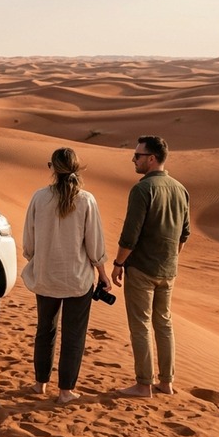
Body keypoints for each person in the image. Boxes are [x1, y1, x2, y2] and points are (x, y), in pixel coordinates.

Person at [22, 147, 111, 404]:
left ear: (52, 168)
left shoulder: (39, 198)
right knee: (74, 335)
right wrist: (102, 273)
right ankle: (65, 391)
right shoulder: (86, 200)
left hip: (46, 276)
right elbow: (94, 244)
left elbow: (29, 242)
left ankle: (40, 384)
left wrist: (39, 259)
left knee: (45, 330)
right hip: (77, 279)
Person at [111, 135, 190, 398]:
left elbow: (130, 234)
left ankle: (144, 384)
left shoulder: (143, 189)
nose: (134, 159)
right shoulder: (180, 189)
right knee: (164, 324)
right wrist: (169, 257)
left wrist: (118, 263)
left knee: (141, 326)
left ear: (152, 158)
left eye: (138, 156)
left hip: (142, 270)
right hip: (168, 270)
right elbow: (184, 234)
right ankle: (166, 382)